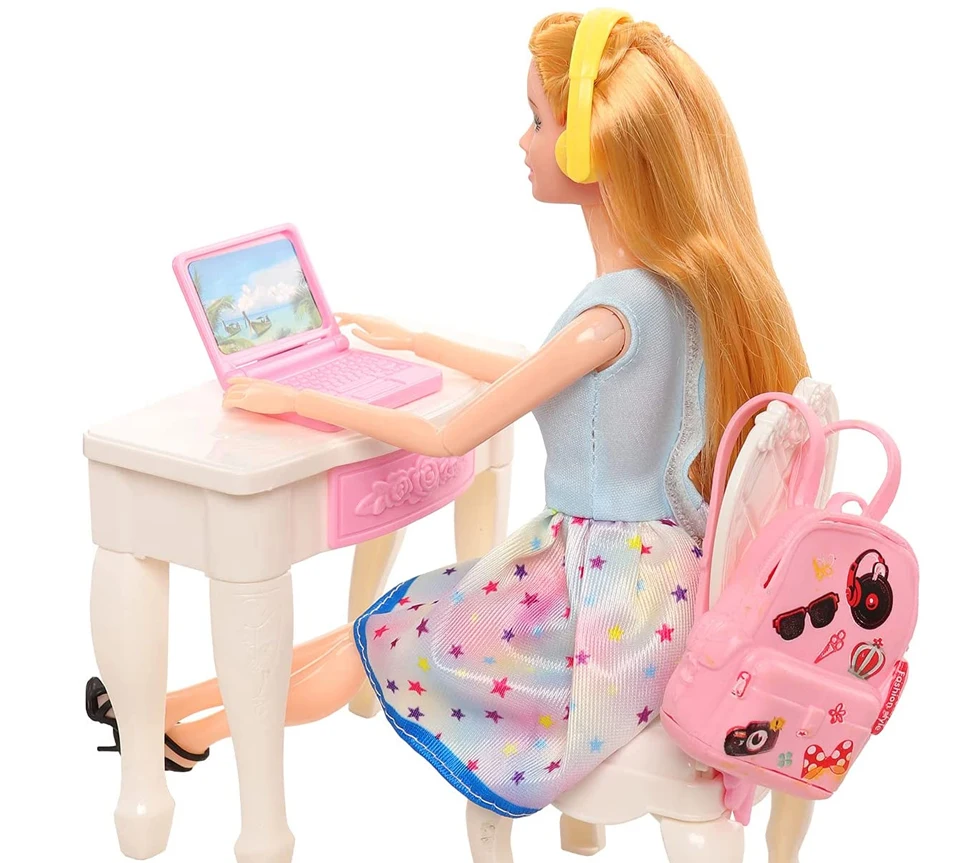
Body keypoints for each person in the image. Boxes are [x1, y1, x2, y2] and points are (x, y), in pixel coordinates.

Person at [87, 9, 807, 816]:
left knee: (380, 646)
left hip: (595, 611)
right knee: (381, 626)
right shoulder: (671, 291)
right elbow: (554, 378)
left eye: (538, 121)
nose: (523, 141)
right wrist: (420, 343)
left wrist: (297, 397)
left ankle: (177, 727)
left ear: (590, 149)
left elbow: (447, 435)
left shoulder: (610, 315)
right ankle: (167, 714)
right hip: (643, 584)